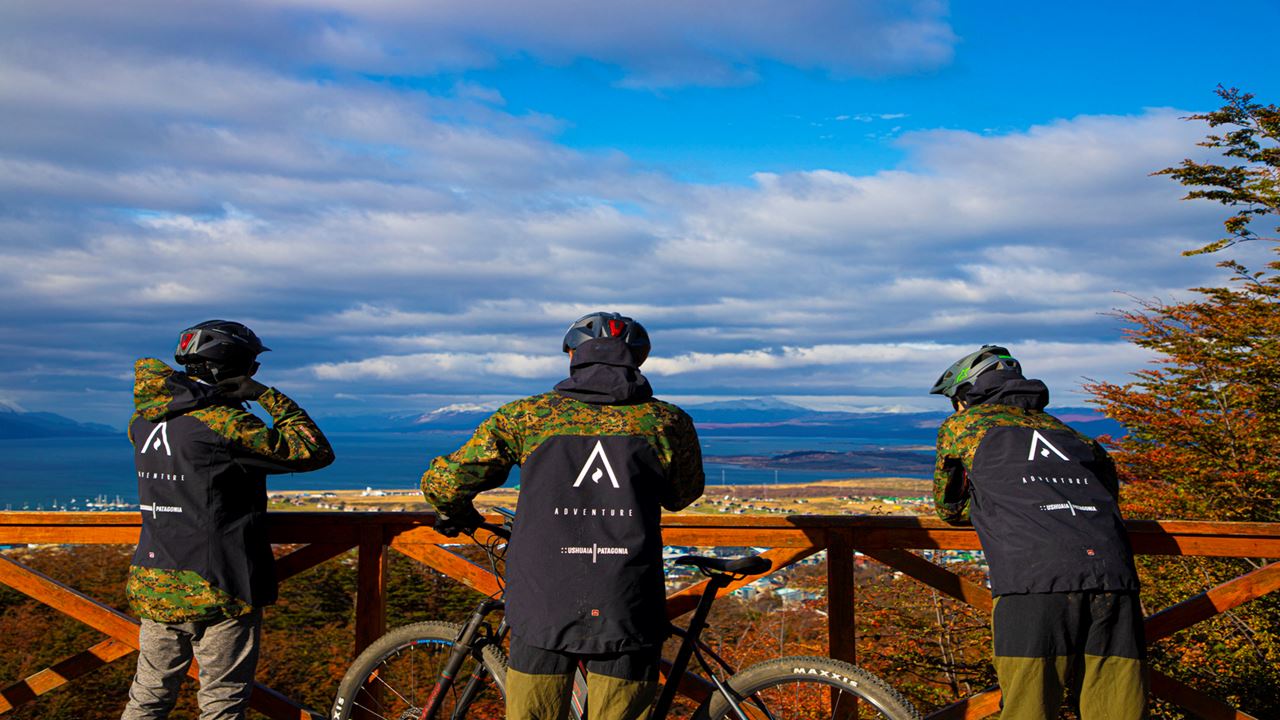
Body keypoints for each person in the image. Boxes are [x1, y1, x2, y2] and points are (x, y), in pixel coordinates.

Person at [422, 311, 704, 720]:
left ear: (573, 355)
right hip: (627, 596)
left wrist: (457, 514)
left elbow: (445, 483)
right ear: (638, 359)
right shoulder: (667, 421)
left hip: (543, 595)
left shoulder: (526, 416)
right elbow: (682, 495)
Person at [122, 320, 334, 720]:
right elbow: (314, 451)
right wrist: (267, 397)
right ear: (232, 366)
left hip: (155, 578)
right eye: (252, 366)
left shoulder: (141, 423)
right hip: (220, 580)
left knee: (148, 698)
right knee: (222, 703)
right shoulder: (223, 423)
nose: (254, 372)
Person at [929, 345, 1147, 720]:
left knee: (1028, 708)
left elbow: (948, 506)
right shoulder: (1073, 435)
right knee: (1119, 709)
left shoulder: (964, 427)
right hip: (1114, 574)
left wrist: (994, 505)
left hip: (1033, 579)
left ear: (965, 396)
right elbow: (1109, 495)